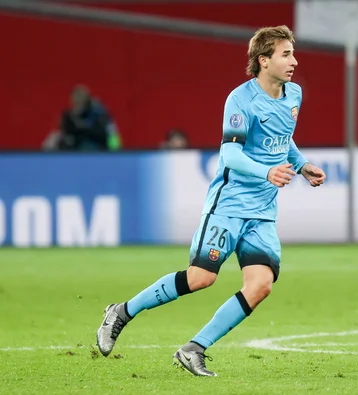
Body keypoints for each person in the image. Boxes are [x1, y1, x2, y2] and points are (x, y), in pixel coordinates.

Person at [96, 25, 326, 377]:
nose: (294, 61)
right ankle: (122, 312)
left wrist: (302, 164)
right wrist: (267, 173)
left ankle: (194, 349)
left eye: (293, 53)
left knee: (261, 285)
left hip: (262, 212)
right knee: (201, 277)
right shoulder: (241, 100)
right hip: (229, 206)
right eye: (285, 54)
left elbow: (284, 140)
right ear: (263, 61)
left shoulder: (293, 95)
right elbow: (230, 154)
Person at [56, 85, 122, 151]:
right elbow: (66, 133)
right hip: (75, 147)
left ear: (86, 99)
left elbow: (108, 134)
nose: (78, 100)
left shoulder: (99, 113)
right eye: (76, 98)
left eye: (81, 97)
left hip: (97, 147)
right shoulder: (69, 115)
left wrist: (84, 128)